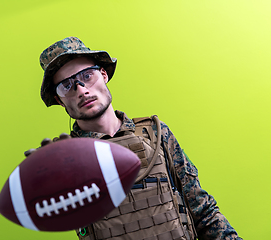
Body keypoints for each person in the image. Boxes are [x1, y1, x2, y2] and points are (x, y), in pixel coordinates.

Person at [28, 36, 241, 240]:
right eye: (67, 85)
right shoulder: (63, 158)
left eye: (86, 76)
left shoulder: (156, 133)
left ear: (103, 74)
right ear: (59, 100)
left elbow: (202, 211)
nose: (81, 90)